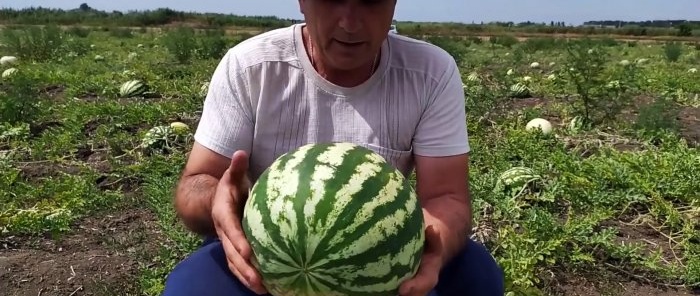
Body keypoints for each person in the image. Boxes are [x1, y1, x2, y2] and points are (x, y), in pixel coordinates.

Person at [162, 0, 504, 295]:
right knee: (191, 287)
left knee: (476, 275)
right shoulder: (250, 67)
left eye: (370, 1)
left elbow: (448, 198)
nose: (350, 23)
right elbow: (197, 183)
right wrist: (220, 201)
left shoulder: (430, 73)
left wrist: (429, 254)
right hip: (263, 257)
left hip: (381, 265)